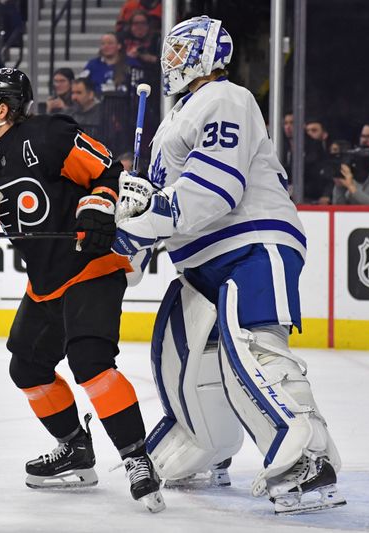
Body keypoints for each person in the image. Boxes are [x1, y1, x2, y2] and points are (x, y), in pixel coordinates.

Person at [112, 16, 345, 516]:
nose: (170, 61)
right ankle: (205, 444)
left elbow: (217, 188)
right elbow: (157, 216)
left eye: (180, 52)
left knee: (256, 349)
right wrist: (127, 233)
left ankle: (309, 459)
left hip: (250, 240)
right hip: (197, 259)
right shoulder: (170, 126)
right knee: (181, 354)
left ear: (206, 55)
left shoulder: (226, 98)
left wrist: (152, 214)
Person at [0, 68, 165, 513]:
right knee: (27, 367)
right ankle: (75, 448)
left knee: (90, 362)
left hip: (91, 266)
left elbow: (106, 169)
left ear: (3, 108)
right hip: (46, 283)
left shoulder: (47, 134)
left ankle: (136, 458)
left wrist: (97, 205)